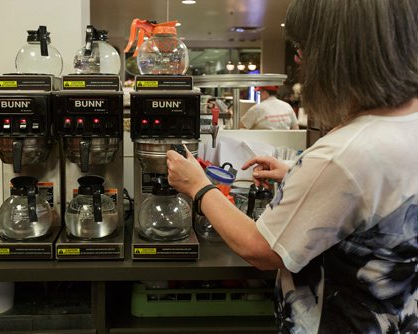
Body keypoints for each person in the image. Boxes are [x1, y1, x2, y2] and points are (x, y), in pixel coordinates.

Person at [166, 0, 418, 332]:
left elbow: (260, 248)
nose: (299, 59)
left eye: (302, 47)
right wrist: (301, 175)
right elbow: (377, 195)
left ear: (339, 50)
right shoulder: (405, 122)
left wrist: (198, 186)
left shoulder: (341, 155)